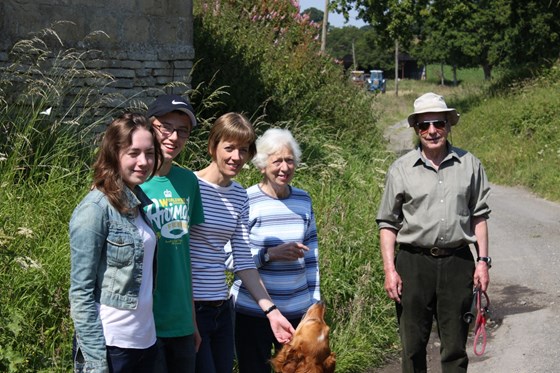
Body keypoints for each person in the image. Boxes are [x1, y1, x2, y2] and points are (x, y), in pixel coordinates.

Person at [376, 92, 491, 373]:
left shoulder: (470, 165)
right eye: (424, 126)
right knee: (413, 344)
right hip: (414, 264)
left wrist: (482, 262)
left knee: (454, 347)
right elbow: (388, 223)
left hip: (458, 263)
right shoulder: (401, 169)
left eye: (438, 123)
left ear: (448, 125)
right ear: (416, 129)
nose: (431, 131)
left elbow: (479, 216)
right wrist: (390, 269)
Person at [189, 113, 295, 373]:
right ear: (212, 146)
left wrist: (272, 311)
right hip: (192, 309)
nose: (236, 157)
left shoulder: (239, 195)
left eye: (244, 150)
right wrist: (187, 314)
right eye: (229, 148)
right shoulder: (189, 185)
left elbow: (243, 260)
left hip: (222, 309)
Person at [69, 112, 162, 373]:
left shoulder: (138, 205)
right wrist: (96, 362)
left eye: (150, 153)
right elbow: (80, 292)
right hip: (112, 346)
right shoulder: (95, 209)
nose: (143, 162)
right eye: (133, 153)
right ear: (114, 154)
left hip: (146, 341)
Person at [229, 128, 321, 373]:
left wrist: (314, 302)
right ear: (261, 165)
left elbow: (312, 256)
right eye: (277, 160)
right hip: (253, 310)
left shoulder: (304, 200)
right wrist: (269, 255)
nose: (284, 167)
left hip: (297, 312)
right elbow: (230, 258)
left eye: (289, 160)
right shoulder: (245, 200)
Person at [140, 94, 205, 373]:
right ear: (149, 127)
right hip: (144, 319)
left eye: (182, 131)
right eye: (165, 127)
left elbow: (184, 255)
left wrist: (191, 320)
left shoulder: (188, 181)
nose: (173, 137)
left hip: (180, 321)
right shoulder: (132, 181)